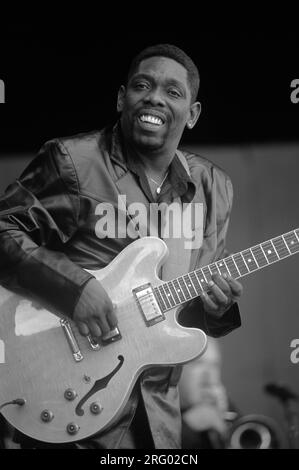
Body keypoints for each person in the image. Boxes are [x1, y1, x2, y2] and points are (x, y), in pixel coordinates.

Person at [0, 43, 243, 449]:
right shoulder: (72, 160)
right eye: (142, 85)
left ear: (194, 114)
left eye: (173, 91)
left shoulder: (213, 187)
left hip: (159, 420)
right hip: (67, 403)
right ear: (121, 98)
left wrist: (216, 308)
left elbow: (180, 311)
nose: (154, 97)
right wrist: (74, 287)